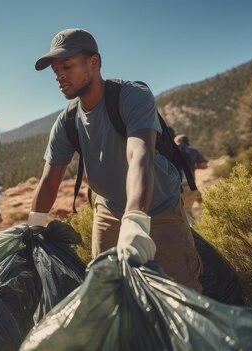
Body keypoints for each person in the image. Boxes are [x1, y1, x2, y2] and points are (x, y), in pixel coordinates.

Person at [28, 28, 202, 291]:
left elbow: (139, 155)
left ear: (94, 62)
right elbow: (50, 181)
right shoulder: (67, 122)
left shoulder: (132, 96)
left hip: (159, 209)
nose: (59, 76)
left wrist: (135, 219)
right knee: (107, 292)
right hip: (108, 211)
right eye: (55, 71)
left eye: (67, 66)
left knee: (179, 293)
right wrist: (33, 228)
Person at [174, 134, 208, 217]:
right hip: (190, 185)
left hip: (177, 186)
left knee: (185, 213)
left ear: (178, 141)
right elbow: (204, 165)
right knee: (200, 202)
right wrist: (193, 166)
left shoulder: (173, 149)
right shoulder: (194, 150)